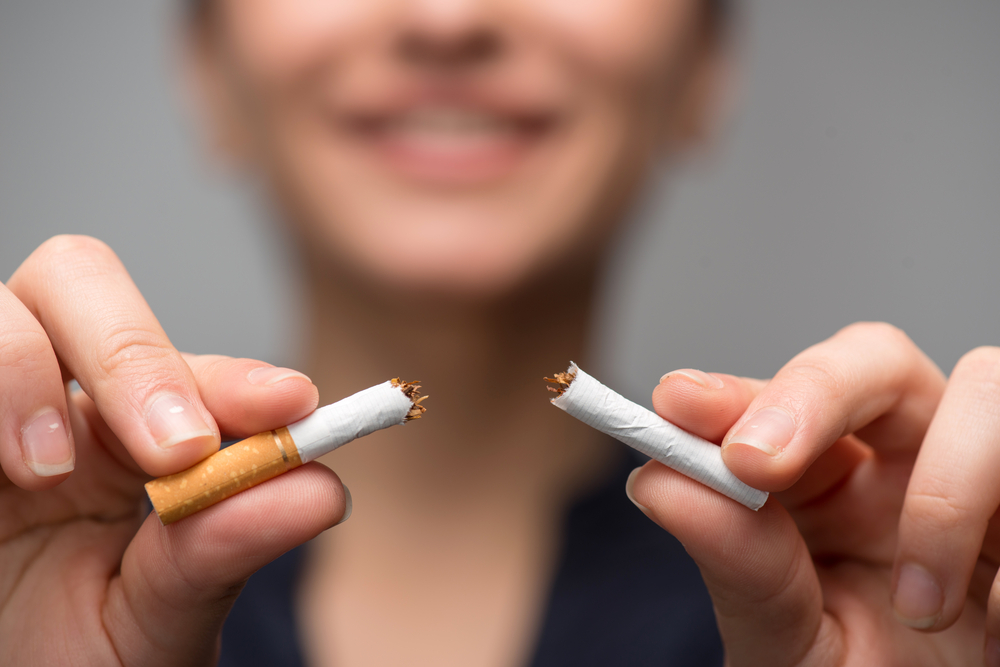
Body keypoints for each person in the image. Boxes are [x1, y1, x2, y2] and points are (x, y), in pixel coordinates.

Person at [0, 0, 995, 665]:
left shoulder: (863, 599)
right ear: (209, 69)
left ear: (702, 65)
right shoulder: (49, 563)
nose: (449, 20)